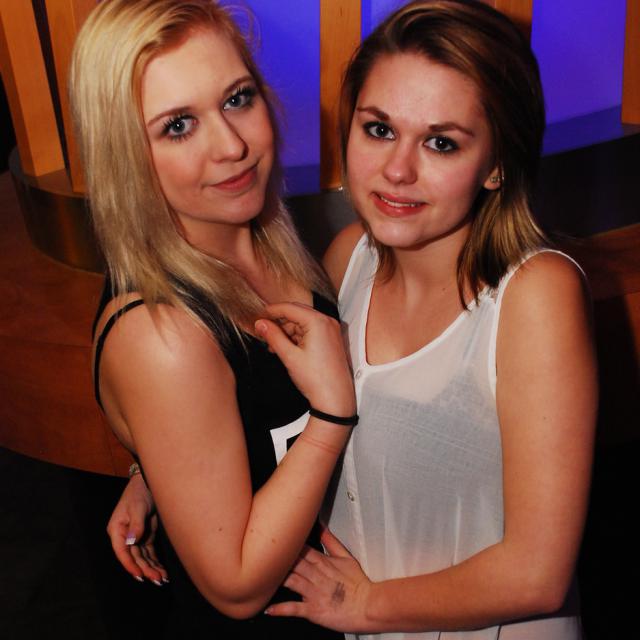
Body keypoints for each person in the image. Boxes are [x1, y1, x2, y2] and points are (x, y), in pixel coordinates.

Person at [109, 1, 597, 638]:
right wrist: (164, 473)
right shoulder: (347, 262)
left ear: (498, 163)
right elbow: (274, 409)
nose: (398, 169)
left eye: (442, 142)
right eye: (379, 129)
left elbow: (539, 574)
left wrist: (366, 604)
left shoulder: (535, 295)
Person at [70, 0, 355, 637]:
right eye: (178, 126)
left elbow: (247, 428)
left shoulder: (268, 239)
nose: (232, 146)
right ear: (124, 152)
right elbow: (235, 587)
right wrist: (332, 416)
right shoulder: (162, 335)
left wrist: (165, 472)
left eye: (237, 99)